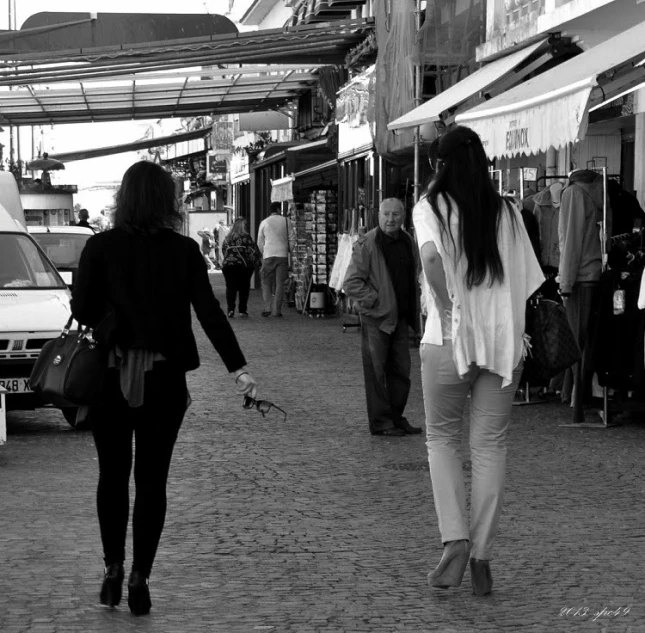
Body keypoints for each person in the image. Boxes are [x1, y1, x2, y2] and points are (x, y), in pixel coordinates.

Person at [70, 161, 257, 616]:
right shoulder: (184, 251)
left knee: (111, 476)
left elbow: (82, 308)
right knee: (153, 481)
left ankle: (112, 568)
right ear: (166, 202)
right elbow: (210, 314)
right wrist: (239, 370)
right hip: (164, 382)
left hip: (110, 378)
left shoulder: (100, 246)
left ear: (124, 198)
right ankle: (140, 577)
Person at [413, 126, 544, 596]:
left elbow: (430, 261)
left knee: (442, 439)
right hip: (503, 347)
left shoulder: (430, 208)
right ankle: (483, 555)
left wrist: (449, 310)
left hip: (448, 343)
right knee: (490, 446)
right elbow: (530, 283)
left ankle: (455, 539)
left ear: (442, 166)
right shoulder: (509, 211)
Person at [343, 197, 423, 437]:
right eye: (386, 214)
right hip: (377, 319)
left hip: (401, 319)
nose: (391, 219)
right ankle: (381, 422)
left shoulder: (408, 241)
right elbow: (351, 283)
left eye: (396, 214)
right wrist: (374, 301)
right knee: (377, 373)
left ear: (403, 216)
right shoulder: (367, 244)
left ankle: (396, 417)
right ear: (378, 216)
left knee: (402, 372)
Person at [257, 202, 296, 317]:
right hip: (282, 255)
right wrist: (289, 250)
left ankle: (267, 308)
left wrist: (264, 253)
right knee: (280, 283)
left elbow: (260, 241)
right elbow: (292, 238)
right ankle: (277, 310)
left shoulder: (264, 222)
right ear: (279, 209)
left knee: (266, 282)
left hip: (268, 254)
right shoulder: (286, 221)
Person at [221, 216, 261, 318]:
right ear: (243, 226)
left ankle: (230, 310)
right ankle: (242, 310)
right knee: (244, 287)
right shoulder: (246, 237)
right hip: (243, 266)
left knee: (230, 288)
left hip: (228, 266)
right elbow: (253, 252)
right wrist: (257, 263)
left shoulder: (227, 238)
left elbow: (223, 250)